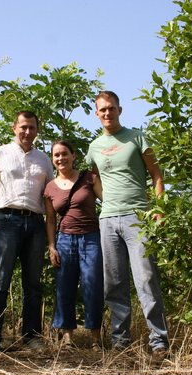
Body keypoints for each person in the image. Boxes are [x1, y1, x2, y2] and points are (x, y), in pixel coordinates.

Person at [85, 91, 169, 357]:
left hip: (138, 217)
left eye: (111, 108)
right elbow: (93, 177)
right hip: (108, 219)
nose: (107, 113)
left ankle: (158, 341)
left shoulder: (137, 138)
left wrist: (159, 209)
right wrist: (104, 199)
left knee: (145, 277)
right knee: (114, 283)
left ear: (120, 110)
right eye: (102, 110)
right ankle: (121, 341)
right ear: (96, 114)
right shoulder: (95, 146)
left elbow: (157, 174)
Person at [0, 110, 54, 353]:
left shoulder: (44, 159)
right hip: (6, 222)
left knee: (33, 284)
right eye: (23, 127)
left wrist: (53, 235)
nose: (28, 132)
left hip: (36, 224)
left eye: (33, 128)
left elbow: (49, 197)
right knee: (0, 281)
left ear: (38, 130)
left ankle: (32, 337)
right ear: (13, 127)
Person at [44, 140, 103, 350]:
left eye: (64, 154)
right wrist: (52, 247)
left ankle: (96, 338)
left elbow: (107, 201)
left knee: (93, 286)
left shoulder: (89, 178)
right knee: (64, 288)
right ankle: (67, 338)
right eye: (56, 155)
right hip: (64, 240)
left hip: (92, 238)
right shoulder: (50, 187)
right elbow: (50, 219)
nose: (61, 158)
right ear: (53, 159)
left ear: (73, 155)